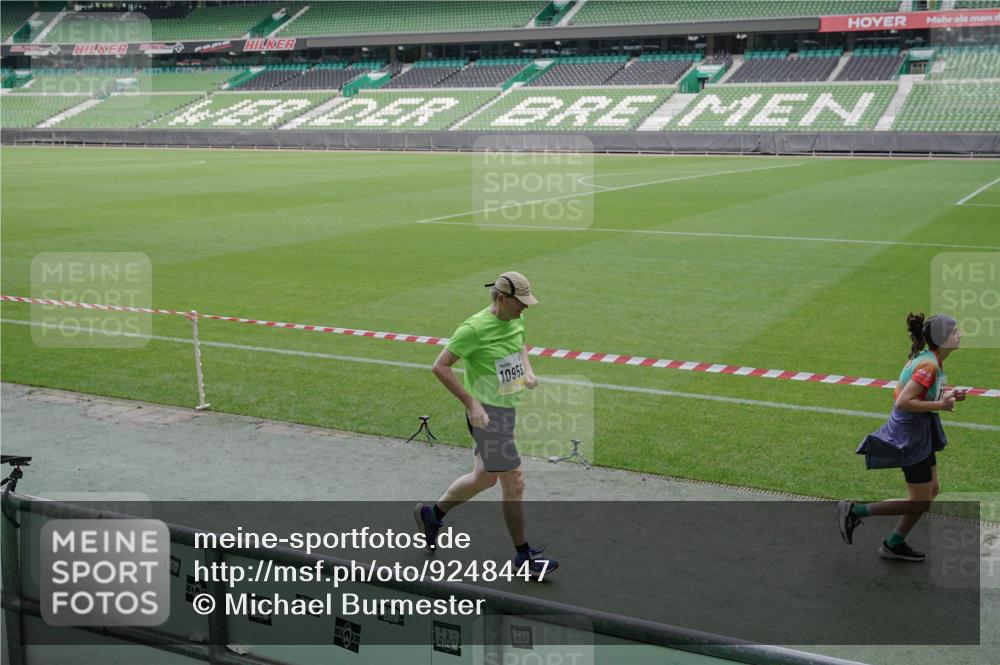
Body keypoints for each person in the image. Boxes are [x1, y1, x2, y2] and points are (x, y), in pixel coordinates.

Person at [414, 271, 558, 578]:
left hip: (507, 410)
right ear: (502, 299)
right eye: (521, 303)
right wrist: (472, 404)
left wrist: (528, 372)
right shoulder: (474, 328)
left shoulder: (515, 319)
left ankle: (432, 514)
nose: (526, 308)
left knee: (484, 478)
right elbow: (439, 367)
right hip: (487, 416)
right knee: (514, 480)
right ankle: (523, 557)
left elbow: (521, 345)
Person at [839, 313, 966, 561]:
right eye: (954, 332)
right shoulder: (929, 365)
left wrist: (948, 394)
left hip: (920, 433)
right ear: (942, 338)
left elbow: (917, 393)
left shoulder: (930, 360)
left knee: (932, 490)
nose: (959, 335)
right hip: (911, 438)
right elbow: (904, 401)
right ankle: (855, 511)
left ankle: (894, 543)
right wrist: (941, 405)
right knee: (921, 501)